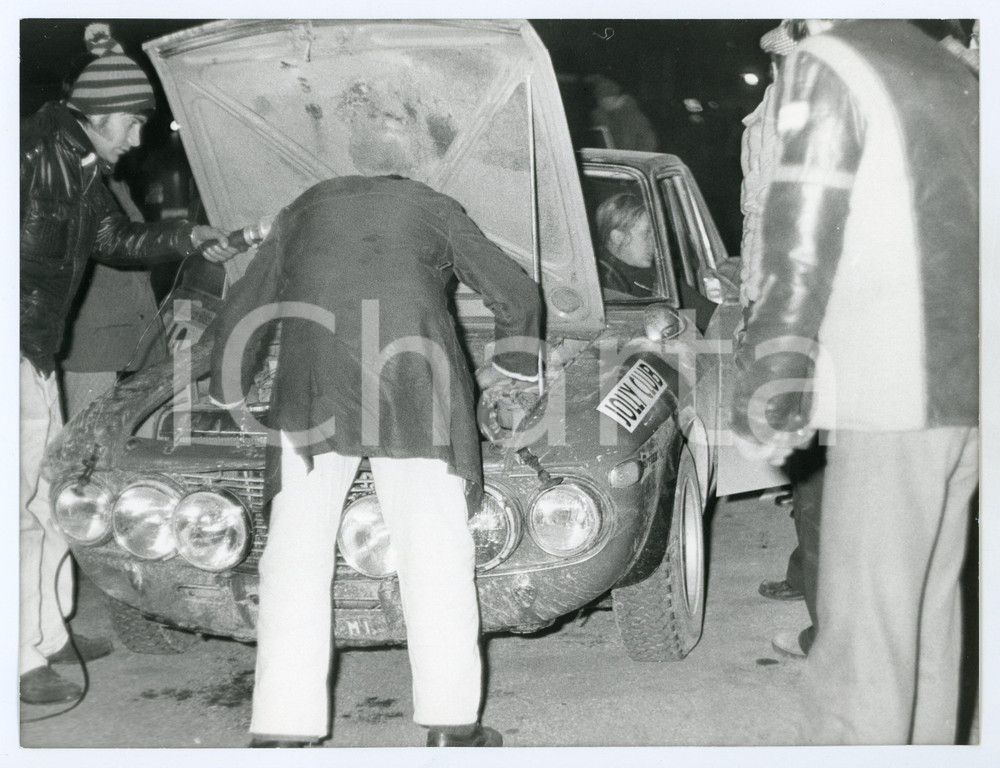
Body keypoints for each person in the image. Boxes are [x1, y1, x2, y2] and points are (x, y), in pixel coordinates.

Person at [208, 174, 542, 748]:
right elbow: (518, 293)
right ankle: (450, 725)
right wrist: (510, 367)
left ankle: (281, 730)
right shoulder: (433, 207)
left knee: (293, 557)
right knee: (434, 550)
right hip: (414, 383)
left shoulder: (299, 210)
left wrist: (228, 390)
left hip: (313, 385)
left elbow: (245, 307)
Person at [731, 19, 978, 744]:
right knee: (929, 640)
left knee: (862, 657)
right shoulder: (951, 72)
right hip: (964, 397)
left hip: (890, 388)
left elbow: (801, 228)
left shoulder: (835, 61)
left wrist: (772, 373)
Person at [19, 22, 236, 705]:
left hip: (35, 347)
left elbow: (111, 236)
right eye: (135, 124)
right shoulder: (31, 156)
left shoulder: (77, 161)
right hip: (14, 345)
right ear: (105, 116)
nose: (139, 139)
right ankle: (17, 659)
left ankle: (48, 632)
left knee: (51, 488)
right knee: (16, 504)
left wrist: (190, 236)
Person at [738, 20, 822, 661]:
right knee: (808, 465)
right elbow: (756, 221)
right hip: (778, 307)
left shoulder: (825, 121)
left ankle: (828, 619)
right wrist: (748, 301)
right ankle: (807, 574)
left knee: (822, 470)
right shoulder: (764, 120)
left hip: (813, 314)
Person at [594, 192, 657, 297]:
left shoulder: (648, 273)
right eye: (646, 234)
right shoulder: (607, 284)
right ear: (618, 237)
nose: (655, 243)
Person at [586, 75, 659, 152]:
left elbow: (648, 143)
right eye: (600, 100)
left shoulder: (631, 115)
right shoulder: (602, 115)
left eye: (607, 98)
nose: (603, 103)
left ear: (617, 98)